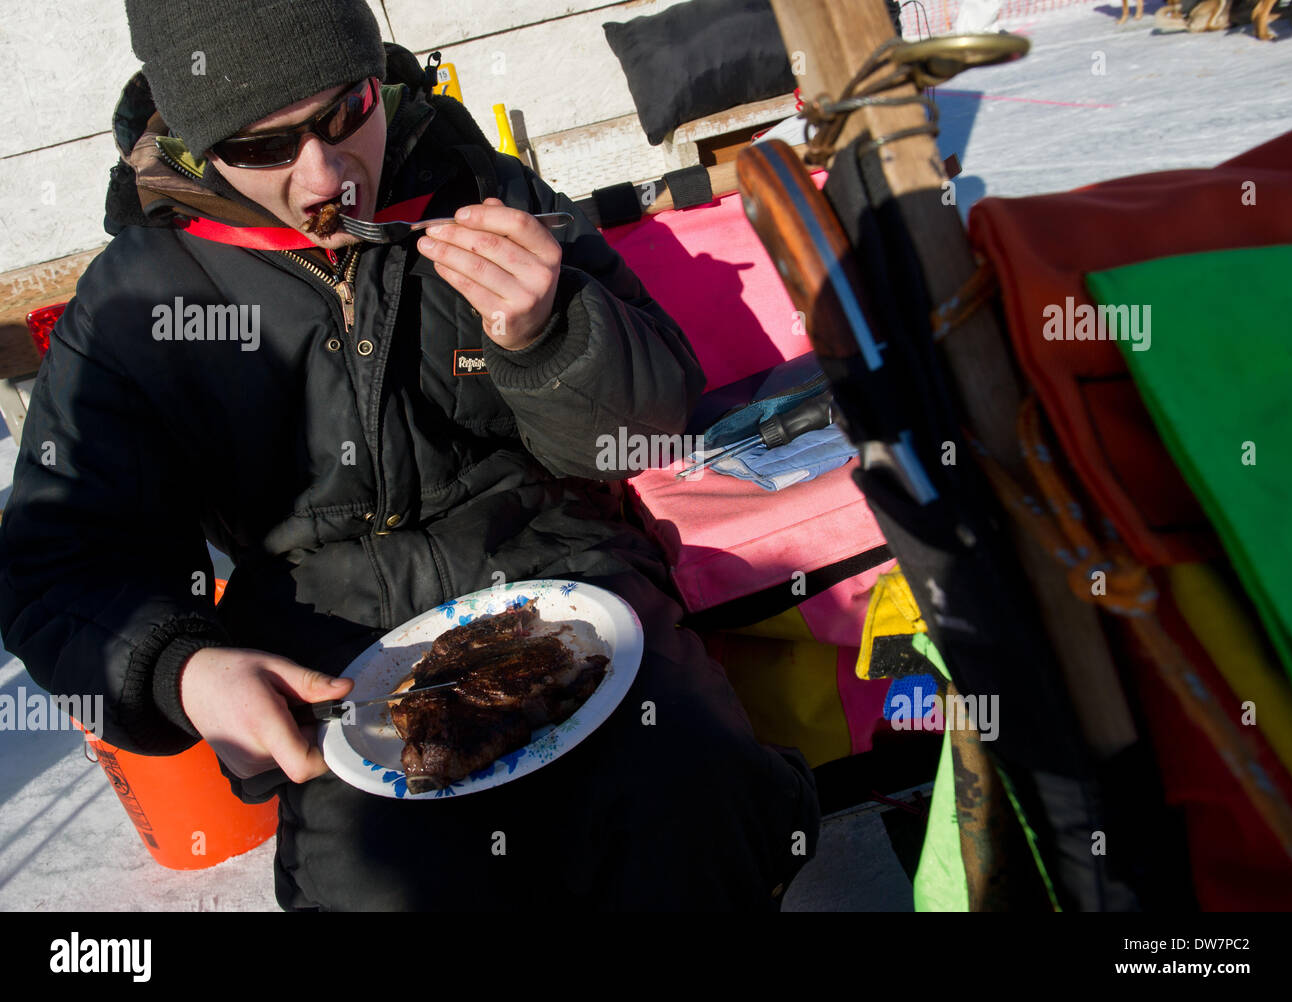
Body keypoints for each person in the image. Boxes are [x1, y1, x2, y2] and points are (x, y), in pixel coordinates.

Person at [0, 0, 820, 909]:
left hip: (566, 577)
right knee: (379, 887)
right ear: (198, 144)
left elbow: (650, 430)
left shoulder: (482, 188)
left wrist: (550, 336)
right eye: (265, 147)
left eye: (344, 114)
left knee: (690, 803)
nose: (323, 175)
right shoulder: (138, 301)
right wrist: (183, 671)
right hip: (328, 649)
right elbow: (60, 556)